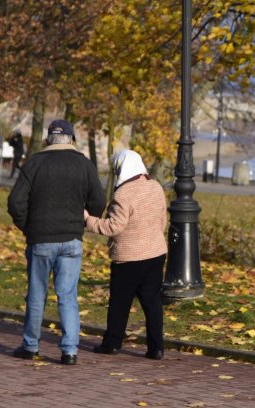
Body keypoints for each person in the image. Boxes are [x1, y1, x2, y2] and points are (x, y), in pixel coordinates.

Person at [7, 119, 105, 365]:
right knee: (68, 295)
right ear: (71, 139)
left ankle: (30, 346)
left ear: (49, 138)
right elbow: (98, 202)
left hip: (41, 240)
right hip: (72, 239)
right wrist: (82, 218)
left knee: (37, 294)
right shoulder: (84, 164)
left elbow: (15, 202)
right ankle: (70, 350)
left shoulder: (35, 163)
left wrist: (27, 226)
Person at [85, 149, 168, 360]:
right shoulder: (155, 187)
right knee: (152, 302)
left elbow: (114, 226)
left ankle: (112, 343)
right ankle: (156, 347)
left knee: (120, 303)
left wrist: (88, 220)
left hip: (128, 258)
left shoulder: (123, 193)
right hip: (156, 252)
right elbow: (162, 220)